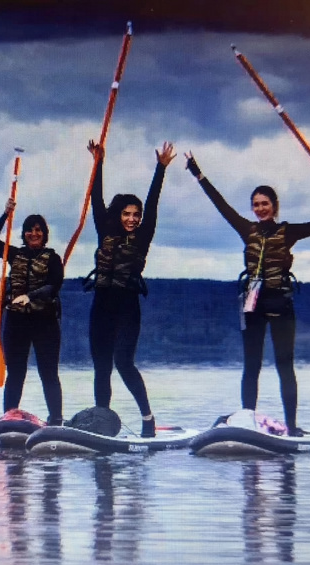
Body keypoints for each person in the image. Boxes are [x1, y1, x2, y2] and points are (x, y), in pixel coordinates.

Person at [184, 152, 310, 437]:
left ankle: (292, 427)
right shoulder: (246, 229)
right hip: (253, 306)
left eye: (265, 204)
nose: (260, 209)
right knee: (252, 366)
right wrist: (199, 175)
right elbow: (220, 204)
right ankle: (248, 421)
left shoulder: (288, 232)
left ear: (274, 206)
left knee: (285, 366)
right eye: (256, 205)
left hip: (280, 303)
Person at [84, 140, 176, 438]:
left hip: (128, 308)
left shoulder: (144, 234)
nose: (133, 219)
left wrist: (160, 169)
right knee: (102, 367)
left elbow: (153, 203)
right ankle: (102, 421)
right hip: (102, 306)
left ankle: (148, 418)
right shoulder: (104, 229)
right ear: (118, 215)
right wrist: (98, 162)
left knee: (123, 363)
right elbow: (95, 198)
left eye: (136, 214)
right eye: (127, 213)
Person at [0, 201, 64, 425]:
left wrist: (30, 296)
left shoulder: (53, 258)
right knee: (15, 373)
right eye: (30, 230)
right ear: (24, 234)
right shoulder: (13, 254)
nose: (34, 233)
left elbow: (54, 285)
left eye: (38, 230)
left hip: (45, 322)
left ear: (44, 234)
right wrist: (5, 214)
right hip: (17, 322)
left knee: (48, 373)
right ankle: (9, 418)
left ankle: (56, 419)